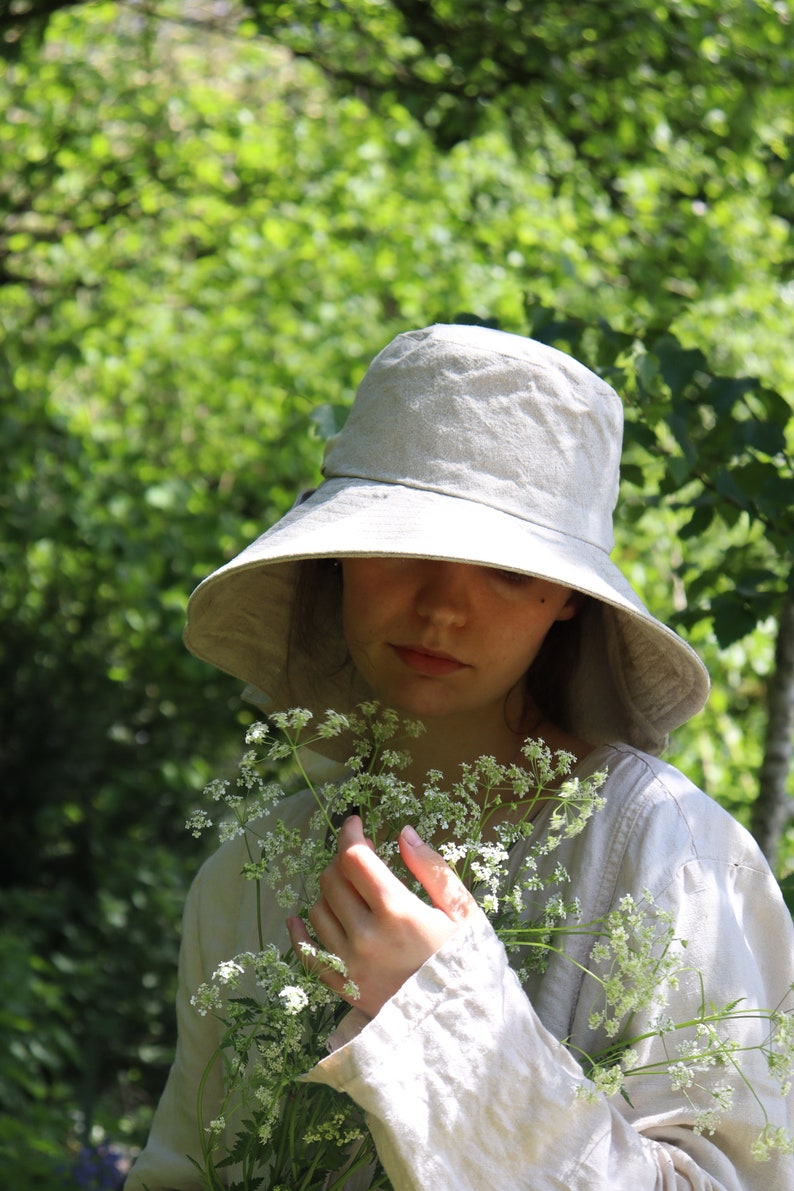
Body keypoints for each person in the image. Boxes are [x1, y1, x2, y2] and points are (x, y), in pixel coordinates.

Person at [125, 323, 794, 1190]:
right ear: (340, 553)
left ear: (566, 600)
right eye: (404, 546)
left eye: (507, 571)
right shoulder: (245, 878)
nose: (442, 607)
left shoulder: (670, 854)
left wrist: (434, 1018)